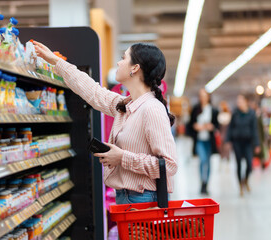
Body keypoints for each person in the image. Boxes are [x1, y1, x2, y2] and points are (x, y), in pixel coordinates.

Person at [33, 41, 178, 204]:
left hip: (144, 200)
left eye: (123, 58)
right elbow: (93, 91)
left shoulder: (152, 109)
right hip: (128, 197)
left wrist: (122, 157)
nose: (118, 62)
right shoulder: (126, 106)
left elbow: (169, 165)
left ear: (135, 68)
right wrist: (55, 61)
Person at [226, 94, 260, 196]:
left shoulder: (252, 114)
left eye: (240, 100)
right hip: (237, 142)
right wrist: (228, 140)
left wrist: (257, 144)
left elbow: (255, 130)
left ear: (246, 101)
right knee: (239, 164)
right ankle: (240, 185)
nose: (238, 102)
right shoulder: (235, 113)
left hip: (248, 142)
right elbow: (230, 128)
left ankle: (246, 180)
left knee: (249, 164)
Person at [188, 89, 219, 195]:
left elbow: (217, 125)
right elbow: (190, 125)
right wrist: (196, 127)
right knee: (203, 160)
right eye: (200, 95)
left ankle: (206, 184)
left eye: (204, 95)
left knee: (209, 162)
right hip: (199, 140)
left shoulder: (213, 110)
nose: (202, 97)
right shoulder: (196, 109)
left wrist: (212, 127)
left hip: (209, 140)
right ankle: (202, 182)